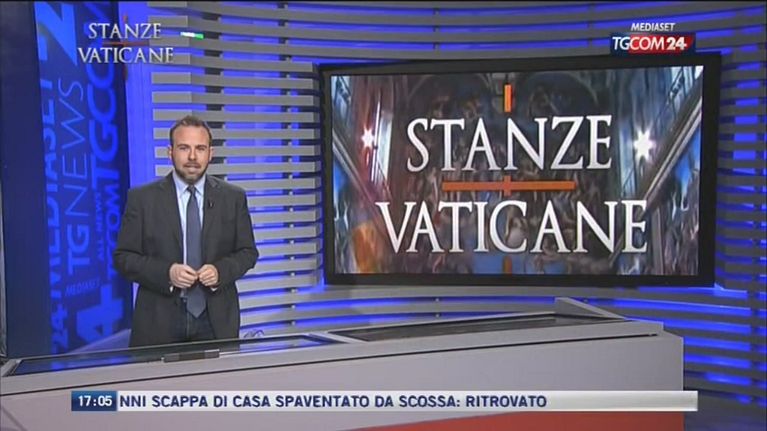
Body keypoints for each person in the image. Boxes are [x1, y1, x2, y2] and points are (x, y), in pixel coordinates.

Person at [114, 115, 258, 347]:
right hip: (158, 321)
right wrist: (167, 273)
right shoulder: (142, 199)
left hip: (215, 320)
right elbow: (124, 258)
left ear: (210, 154)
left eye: (200, 148)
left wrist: (220, 271)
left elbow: (248, 252)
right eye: (184, 148)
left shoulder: (233, 198)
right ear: (170, 152)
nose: (192, 157)